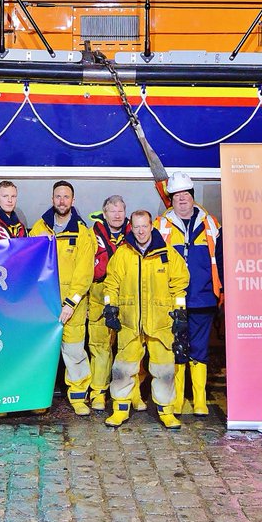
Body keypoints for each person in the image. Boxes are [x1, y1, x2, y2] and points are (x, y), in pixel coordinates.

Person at [101, 209, 190, 429]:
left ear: (152, 226)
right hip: (130, 322)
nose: (141, 231)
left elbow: (179, 285)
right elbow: (111, 283)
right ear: (132, 227)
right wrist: (110, 307)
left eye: (145, 226)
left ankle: (166, 411)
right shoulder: (123, 254)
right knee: (123, 368)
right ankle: (120, 409)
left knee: (164, 370)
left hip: (160, 323)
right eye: (137, 226)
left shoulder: (167, 254)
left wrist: (179, 312)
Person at [156, 172, 223, 417]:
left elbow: (222, 260)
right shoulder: (160, 225)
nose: (182, 199)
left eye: (186, 195)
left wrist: (222, 291)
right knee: (176, 348)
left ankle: (200, 400)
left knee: (200, 349)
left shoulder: (211, 223)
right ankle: (176, 399)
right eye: (177, 196)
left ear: (193, 197)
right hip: (173, 299)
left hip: (204, 296)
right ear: (170, 199)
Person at [30, 181, 96, 415]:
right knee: (42, 351)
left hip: (73, 306)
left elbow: (84, 273)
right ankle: (38, 398)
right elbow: (31, 265)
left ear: (73, 201)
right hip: (43, 303)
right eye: (58, 196)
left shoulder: (82, 232)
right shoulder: (39, 228)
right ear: (52, 199)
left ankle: (78, 397)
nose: (62, 201)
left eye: (66, 197)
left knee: (74, 351)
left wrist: (71, 302)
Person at [89, 195, 130, 412]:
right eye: (112, 211)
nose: (117, 215)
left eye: (120, 211)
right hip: (98, 297)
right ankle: (98, 393)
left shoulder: (135, 236)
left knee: (129, 348)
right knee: (100, 348)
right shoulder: (91, 235)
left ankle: (130, 393)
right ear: (104, 214)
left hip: (127, 298)